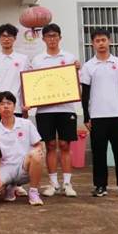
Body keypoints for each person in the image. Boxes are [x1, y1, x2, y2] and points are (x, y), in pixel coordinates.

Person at [80, 28, 118, 198]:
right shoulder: (89, 66)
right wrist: (86, 116)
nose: (101, 44)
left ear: (109, 41)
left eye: (103, 40)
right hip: (97, 117)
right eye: (97, 41)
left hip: (116, 116)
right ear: (92, 44)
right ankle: (100, 186)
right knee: (99, 153)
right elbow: (85, 94)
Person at [31, 23, 80, 198]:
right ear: (43, 39)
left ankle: (67, 183)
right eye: (48, 36)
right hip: (44, 110)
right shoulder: (37, 60)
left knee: (65, 144)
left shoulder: (69, 58)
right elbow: (32, 85)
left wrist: (77, 69)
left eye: (55, 36)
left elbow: (76, 82)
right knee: (50, 145)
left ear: (60, 37)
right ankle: (53, 183)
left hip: (66, 108)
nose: (52, 39)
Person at [0, 91, 45, 205]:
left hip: (24, 166)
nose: (6, 106)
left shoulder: (26, 124)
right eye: (2, 104)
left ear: (14, 106)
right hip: (6, 168)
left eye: (9, 103)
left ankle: (33, 192)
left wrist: (37, 157)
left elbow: (38, 145)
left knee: (36, 154)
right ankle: (10, 187)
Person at [0, 23, 30, 128]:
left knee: (16, 135)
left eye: (10, 36)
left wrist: (26, 105)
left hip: (16, 107)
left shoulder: (23, 59)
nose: (6, 39)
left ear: (15, 38)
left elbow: (27, 84)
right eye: (3, 36)